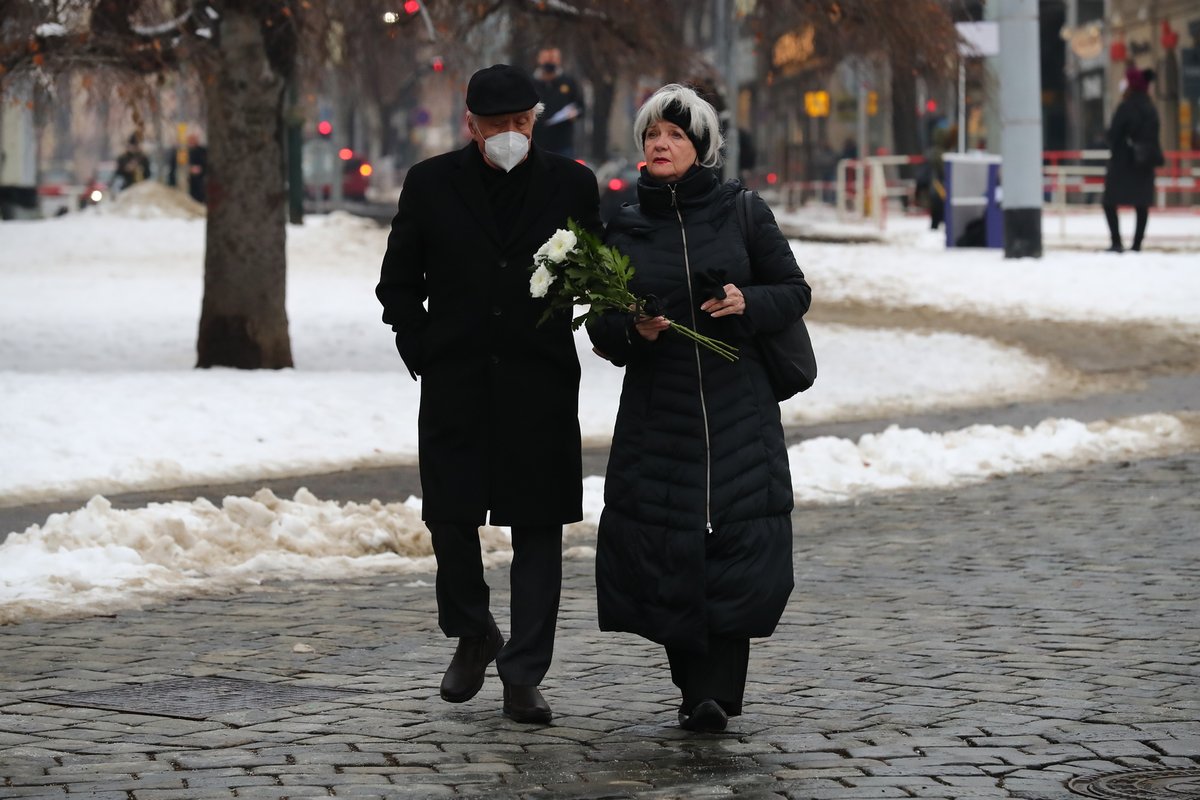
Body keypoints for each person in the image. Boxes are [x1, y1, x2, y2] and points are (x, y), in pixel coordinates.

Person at [375, 64, 601, 725]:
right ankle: (473, 631)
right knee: (451, 517)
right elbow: (397, 283)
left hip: (539, 382)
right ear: (469, 124)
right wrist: (422, 347)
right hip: (458, 380)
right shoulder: (431, 184)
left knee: (538, 526)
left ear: (536, 122)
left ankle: (524, 673)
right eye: (497, 125)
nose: (510, 135)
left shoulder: (570, 184)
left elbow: (597, 269)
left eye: (522, 124)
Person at [586, 84, 811, 733]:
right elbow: (603, 326)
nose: (661, 144)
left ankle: (716, 691)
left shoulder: (743, 211)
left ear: (701, 148)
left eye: (676, 135)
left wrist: (748, 301)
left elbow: (794, 290)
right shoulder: (625, 224)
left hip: (738, 412)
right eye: (653, 135)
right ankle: (692, 684)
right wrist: (635, 330)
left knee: (735, 544)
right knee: (670, 551)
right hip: (662, 418)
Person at [1101, 65, 1163, 253]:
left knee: (1109, 202)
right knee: (1141, 204)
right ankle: (1137, 245)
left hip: (1123, 162)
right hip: (1145, 162)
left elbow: (1113, 135)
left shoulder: (1126, 107)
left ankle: (1116, 242)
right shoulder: (1151, 108)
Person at [531, 47, 585, 159]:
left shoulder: (569, 82)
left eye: (553, 59)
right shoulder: (530, 83)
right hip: (536, 143)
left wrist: (574, 114)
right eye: (546, 58)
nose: (550, 62)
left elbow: (581, 107)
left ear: (559, 61)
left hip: (562, 144)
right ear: (539, 60)